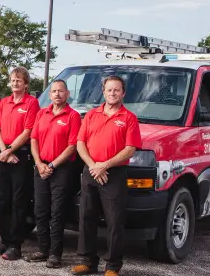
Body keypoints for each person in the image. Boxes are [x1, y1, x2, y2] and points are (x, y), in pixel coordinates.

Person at [71, 76, 141, 276]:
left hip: (115, 173)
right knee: (86, 218)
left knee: (114, 221)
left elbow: (130, 149)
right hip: (91, 171)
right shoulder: (92, 115)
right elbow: (80, 143)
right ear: (104, 92)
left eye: (116, 90)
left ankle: (112, 266)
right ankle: (86, 261)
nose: (113, 93)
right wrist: (94, 166)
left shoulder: (129, 118)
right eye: (109, 90)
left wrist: (105, 166)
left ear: (123, 93)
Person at [24, 79, 81, 268]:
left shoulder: (73, 116)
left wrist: (52, 166)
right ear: (50, 95)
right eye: (54, 91)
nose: (57, 94)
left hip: (61, 169)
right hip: (41, 167)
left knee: (57, 212)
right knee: (40, 211)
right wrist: (39, 163)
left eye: (61, 91)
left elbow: (72, 146)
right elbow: (34, 140)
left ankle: (55, 254)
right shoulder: (42, 113)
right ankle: (42, 249)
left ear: (67, 94)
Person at [0, 66, 41, 260]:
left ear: (26, 84)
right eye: (12, 80)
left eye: (18, 80)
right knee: (3, 199)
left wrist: (11, 150)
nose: (14, 83)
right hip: (4, 155)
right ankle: (4, 240)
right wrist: (4, 152)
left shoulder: (32, 103)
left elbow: (28, 131)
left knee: (18, 201)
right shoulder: (4, 103)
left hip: (21, 156)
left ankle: (15, 244)